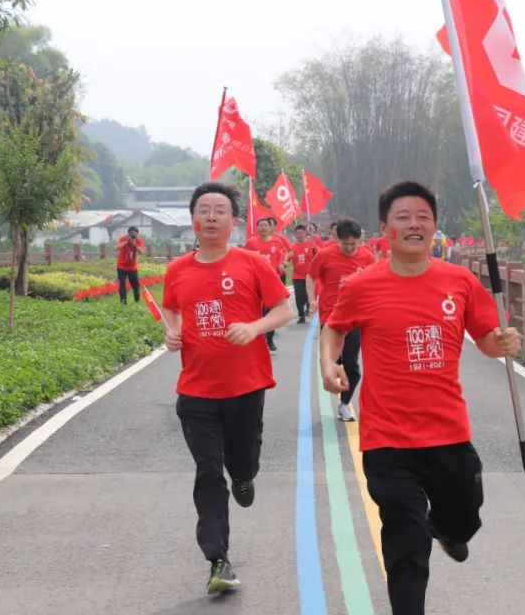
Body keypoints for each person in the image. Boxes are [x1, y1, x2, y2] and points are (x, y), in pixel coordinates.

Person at [319, 181, 521, 615]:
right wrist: (328, 363)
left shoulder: (459, 281)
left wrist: (503, 342)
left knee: (465, 516)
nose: (414, 224)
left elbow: (487, 340)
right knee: (405, 539)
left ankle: (449, 530)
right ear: (384, 228)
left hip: (447, 431)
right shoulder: (362, 285)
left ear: (434, 226)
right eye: (403, 217)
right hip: (387, 439)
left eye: (423, 217)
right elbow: (334, 328)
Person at [161, 181, 294, 596]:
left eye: (220, 210)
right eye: (204, 210)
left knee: (242, 462)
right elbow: (170, 308)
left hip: (245, 388)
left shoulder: (252, 263)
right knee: (207, 472)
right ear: (193, 221)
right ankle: (218, 559)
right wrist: (172, 332)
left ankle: (245, 474)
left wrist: (254, 327)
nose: (212, 216)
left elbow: (285, 309)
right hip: (196, 391)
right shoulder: (178, 270)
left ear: (234, 221)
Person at [307, 217, 376, 421]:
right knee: (331, 363)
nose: (349, 248)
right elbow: (310, 276)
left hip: (355, 320)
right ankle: (333, 381)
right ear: (337, 239)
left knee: (352, 365)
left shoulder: (368, 258)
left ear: (359, 240)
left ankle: (345, 403)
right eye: (345, 243)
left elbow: (375, 283)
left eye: (353, 244)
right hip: (330, 318)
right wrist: (312, 300)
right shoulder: (325, 255)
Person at [244, 217, 288, 350]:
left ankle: (270, 339)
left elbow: (282, 255)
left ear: (270, 228)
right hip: (255, 283)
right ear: (257, 228)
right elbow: (245, 259)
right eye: (260, 225)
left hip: (272, 282)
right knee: (258, 311)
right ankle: (259, 338)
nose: (263, 228)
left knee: (270, 312)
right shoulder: (251, 243)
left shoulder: (277, 242)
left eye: (265, 225)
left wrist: (282, 264)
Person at [289, 224, 317, 323]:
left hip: (309, 276)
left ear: (305, 233)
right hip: (297, 276)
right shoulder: (292, 247)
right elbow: (288, 259)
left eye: (301, 233)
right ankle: (301, 315)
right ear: (295, 234)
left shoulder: (311, 245)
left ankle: (308, 307)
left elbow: (318, 256)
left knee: (308, 294)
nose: (299, 235)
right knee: (299, 296)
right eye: (297, 233)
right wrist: (284, 264)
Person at [115, 226, 147, 305]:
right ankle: (123, 302)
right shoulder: (123, 238)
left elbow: (141, 252)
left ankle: (137, 299)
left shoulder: (138, 240)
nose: (133, 235)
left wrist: (134, 245)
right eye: (131, 233)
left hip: (132, 267)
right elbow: (116, 248)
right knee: (122, 284)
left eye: (134, 234)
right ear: (128, 234)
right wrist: (126, 241)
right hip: (121, 266)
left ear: (137, 234)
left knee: (135, 284)